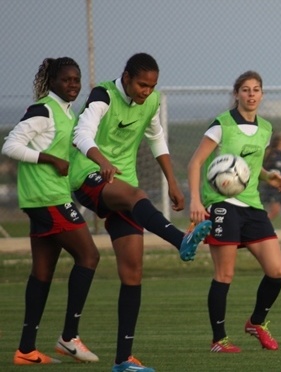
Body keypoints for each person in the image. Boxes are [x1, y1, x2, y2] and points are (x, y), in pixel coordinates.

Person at [69, 52, 212, 372]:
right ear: (127, 77)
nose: (147, 91)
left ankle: (123, 360)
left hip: (123, 187)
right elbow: (81, 133)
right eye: (142, 85)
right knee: (136, 194)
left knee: (132, 272)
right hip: (87, 177)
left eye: (152, 86)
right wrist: (102, 161)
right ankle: (180, 240)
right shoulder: (103, 95)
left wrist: (174, 183)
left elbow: (156, 138)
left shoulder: (151, 101)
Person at [2, 57, 100, 365]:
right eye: (67, 80)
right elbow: (10, 145)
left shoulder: (66, 112)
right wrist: (50, 160)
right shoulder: (43, 110)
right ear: (52, 81)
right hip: (47, 199)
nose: (73, 85)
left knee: (42, 272)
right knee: (89, 256)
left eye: (77, 80)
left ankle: (26, 350)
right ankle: (69, 337)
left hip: (46, 198)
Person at [187, 70, 281, 353]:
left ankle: (257, 322)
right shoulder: (221, 125)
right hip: (221, 206)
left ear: (262, 94)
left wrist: (269, 177)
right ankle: (219, 340)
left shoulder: (266, 129)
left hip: (252, 206)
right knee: (225, 274)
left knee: (277, 270)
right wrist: (196, 202)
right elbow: (195, 164)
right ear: (236, 94)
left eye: (256, 89)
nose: (251, 94)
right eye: (245, 89)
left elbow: (246, 170)